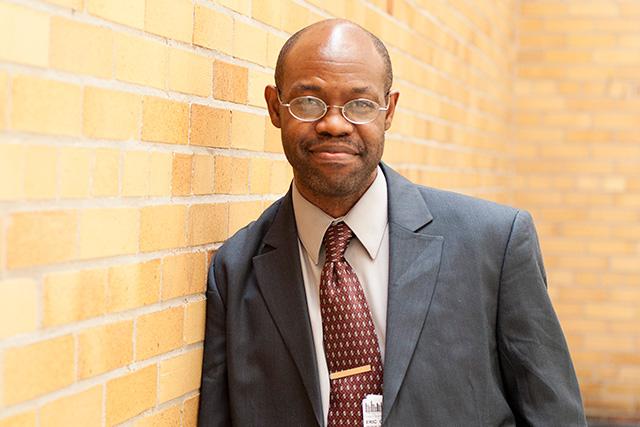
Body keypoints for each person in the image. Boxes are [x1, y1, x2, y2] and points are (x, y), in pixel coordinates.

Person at [198, 18, 586, 426]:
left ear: (389, 111)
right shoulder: (235, 271)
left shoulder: (494, 244)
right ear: (276, 108)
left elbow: (553, 415)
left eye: (360, 104)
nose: (333, 123)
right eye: (308, 102)